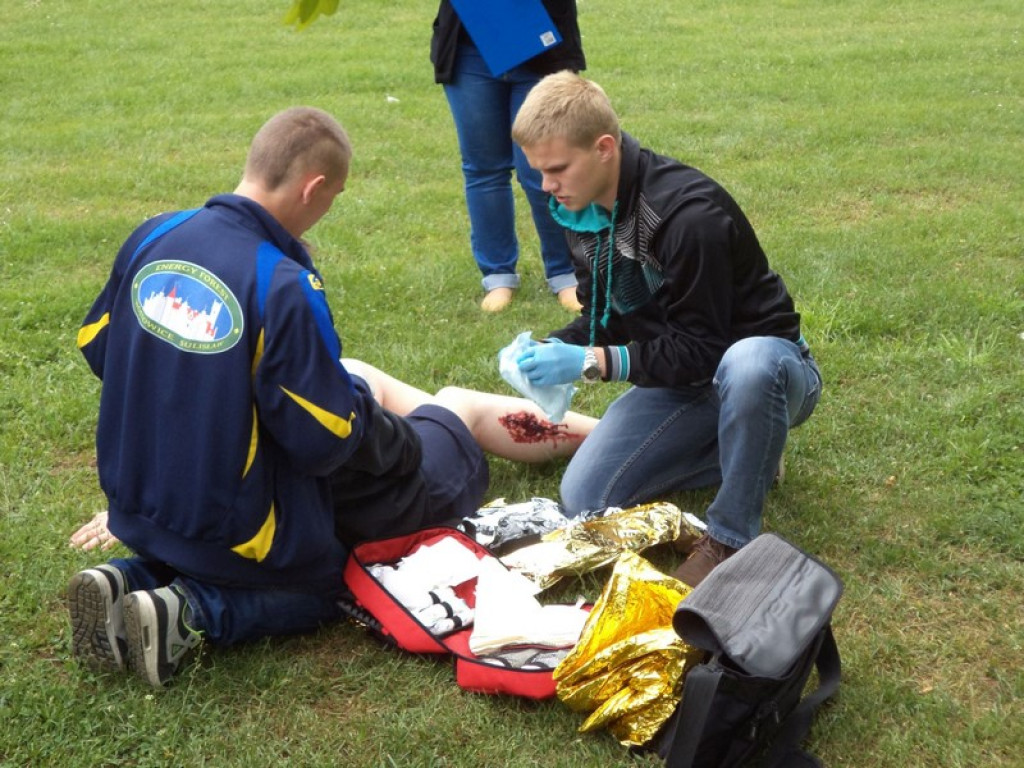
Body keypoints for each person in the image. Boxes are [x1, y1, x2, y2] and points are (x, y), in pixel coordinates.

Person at [68, 106, 597, 688]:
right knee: (331, 582)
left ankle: (132, 577)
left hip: (141, 504)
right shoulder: (280, 282)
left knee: (373, 384)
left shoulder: (156, 233)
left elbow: (100, 348)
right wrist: (402, 449)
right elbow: (325, 439)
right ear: (312, 188)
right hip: (236, 531)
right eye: (334, 197)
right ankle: (193, 614)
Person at [508, 72, 823, 587]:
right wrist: (556, 346)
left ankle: (730, 539)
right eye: (538, 171)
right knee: (586, 495)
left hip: (771, 372)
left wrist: (592, 362)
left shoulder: (686, 215)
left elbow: (706, 349)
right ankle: (749, 451)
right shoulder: (578, 210)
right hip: (682, 383)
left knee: (749, 363)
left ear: (604, 148)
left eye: (557, 169)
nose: (546, 185)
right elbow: (600, 318)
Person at [431, 0, 586, 312]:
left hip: (542, 40)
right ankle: (498, 275)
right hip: (469, 47)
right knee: (484, 169)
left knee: (545, 168)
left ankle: (566, 273)